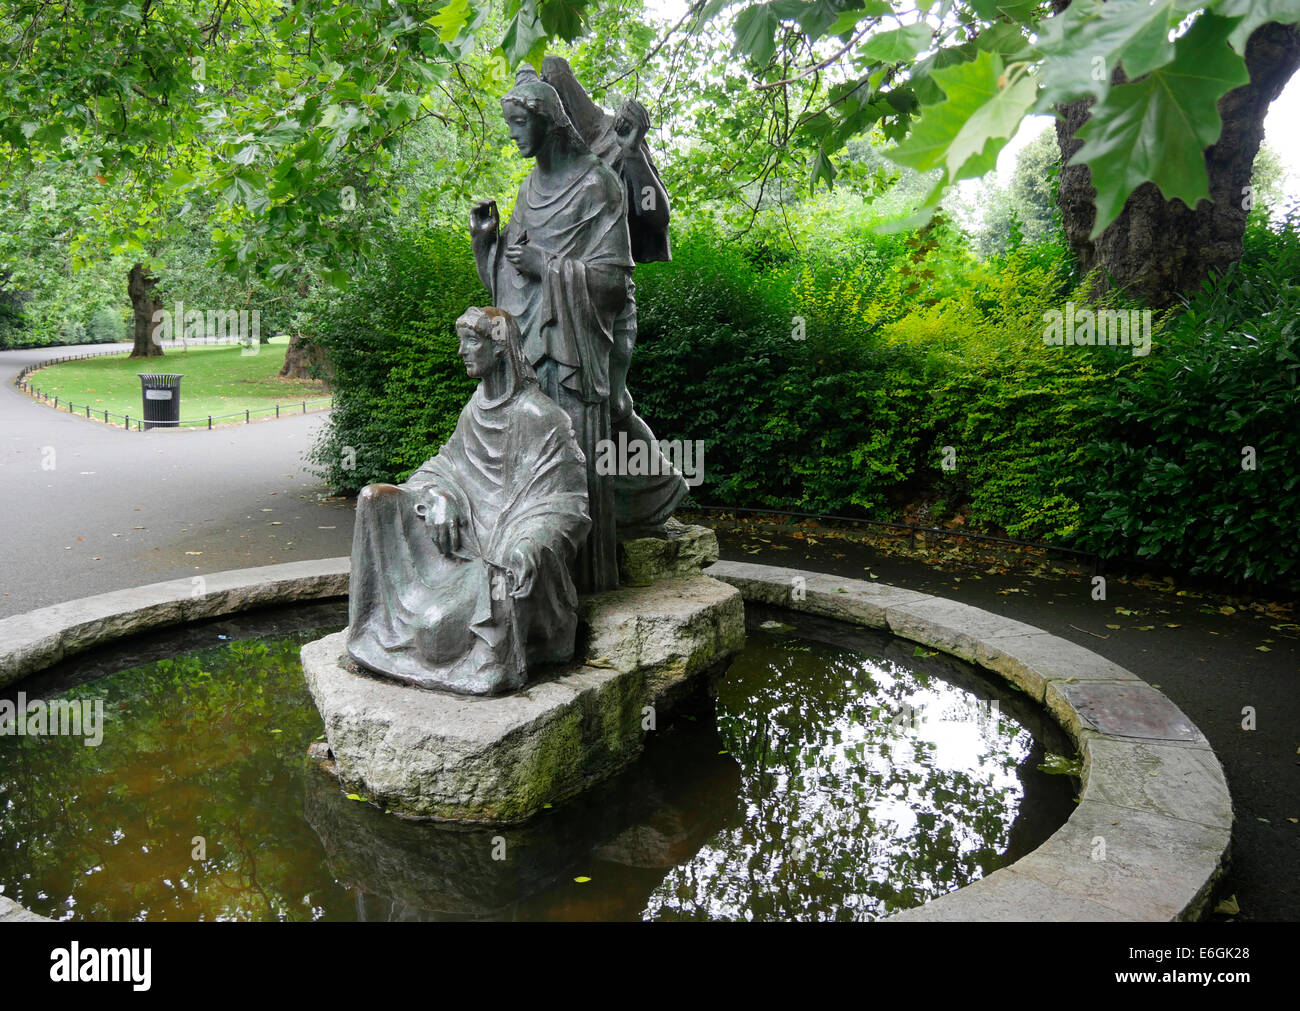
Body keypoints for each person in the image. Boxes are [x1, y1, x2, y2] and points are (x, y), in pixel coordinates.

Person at [346, 307, 591, 696]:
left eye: (471, 341)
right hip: (462, 547)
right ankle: (372, 629)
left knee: (433, 634)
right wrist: (438, 495)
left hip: (501, 559)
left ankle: (490, 658)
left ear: (500, 349)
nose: (461, 352)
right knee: (374, 498)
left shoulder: (541, 417)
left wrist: (525, 545)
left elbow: (567, 504)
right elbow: (442, 467)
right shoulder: (475, 408)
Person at [470, 66, 633, 592]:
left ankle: (579, 583)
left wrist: (549, 267)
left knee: (575, 466)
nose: (513, 133)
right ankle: (525, 578)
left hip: (574, 357)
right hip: (530, 357)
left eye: (518, 122)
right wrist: (486, 245)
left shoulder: (599, 184)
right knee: (527, 466)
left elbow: (612, 285)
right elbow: (508, 284)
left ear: (546, 121)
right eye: (509, 124)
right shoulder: (528, 186)